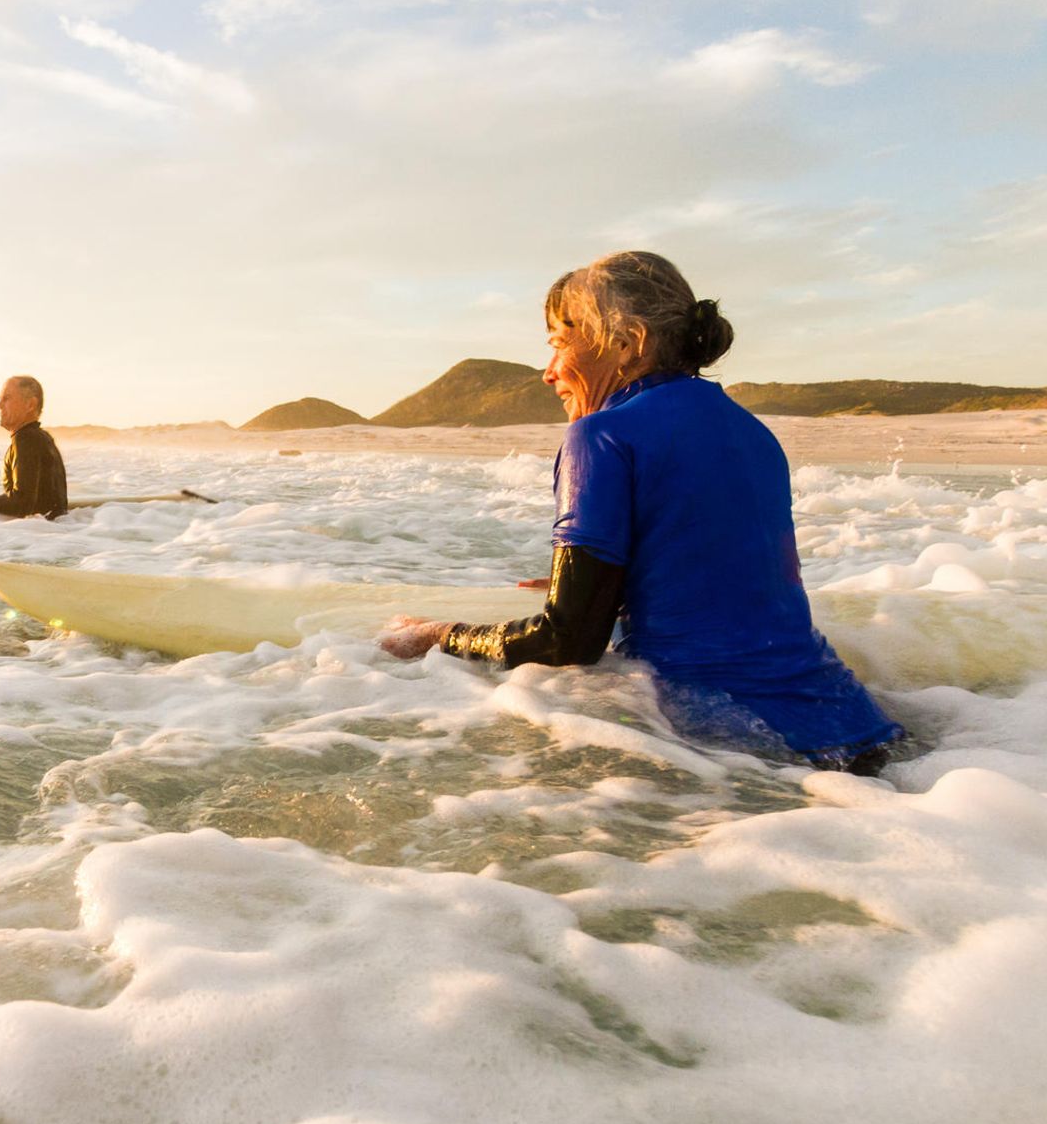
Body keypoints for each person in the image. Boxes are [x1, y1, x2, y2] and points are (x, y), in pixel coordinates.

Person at [381, 251, 903, 775]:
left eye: (560, 343)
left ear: (628, 342)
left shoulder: (600, 434)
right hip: (858, 728)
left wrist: (438, 635)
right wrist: (619, 584)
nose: (548, 372)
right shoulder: (752, 431)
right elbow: (736, 582)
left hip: (741, 743)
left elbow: (568, 640)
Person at [0, 375, 70, 519]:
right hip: (48, 531)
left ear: (30, 405)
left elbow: (22, 504)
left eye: (6, 398)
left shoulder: (27, 439)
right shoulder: (41, 438)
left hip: (38, 534)